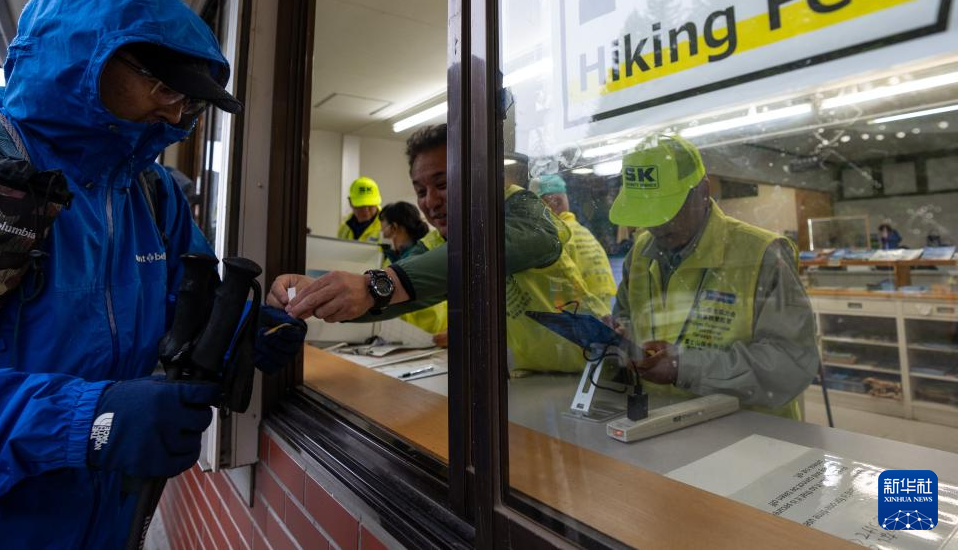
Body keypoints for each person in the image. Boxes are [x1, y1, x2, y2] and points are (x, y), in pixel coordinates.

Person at [0, 0, 302, 549]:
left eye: (192, 100)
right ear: (85, 57)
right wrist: (82, 422)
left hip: (108, 522)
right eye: (167, 88)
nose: (180, 116)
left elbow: (181, 311)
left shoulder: (152, 194)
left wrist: (239, 333)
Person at [269, 124, 605, 372]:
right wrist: (319, 295)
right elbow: (406, 287)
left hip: (589, 377)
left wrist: (375, 286)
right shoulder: (442, 240)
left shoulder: (523, 211)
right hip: (521, 380)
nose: (430, 201)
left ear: (480, 173)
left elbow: (495, 249)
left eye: (443, 184)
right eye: (420, 190)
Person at [609, 135, 818, 420]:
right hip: (658, 425)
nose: (657, 226)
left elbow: (790, 362)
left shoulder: (762, 254)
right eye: (647, 213)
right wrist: (617, 337)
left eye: (668, 210)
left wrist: (685, 367)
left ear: (703, 191)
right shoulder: (640, 253)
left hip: (751, 433)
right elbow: (628, 321)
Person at [532, 173, 618, 306]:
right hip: (602, 305)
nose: (532, 211)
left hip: (581, 308)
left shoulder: (557, 234)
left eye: (536, 204)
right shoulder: (583, 231)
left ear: (556, 201)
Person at [379, 201, 448, 336]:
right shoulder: (392, 258)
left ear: (394, 228)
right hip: (403, 333)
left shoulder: (427, 254)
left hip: (430, 333)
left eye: (383, 230)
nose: (382, 235)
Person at [337, 176, 382, 243]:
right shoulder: (344, 228)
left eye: (371, 205)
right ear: (350, 202)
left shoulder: (387, 227)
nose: (366, 210)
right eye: (361, 205)